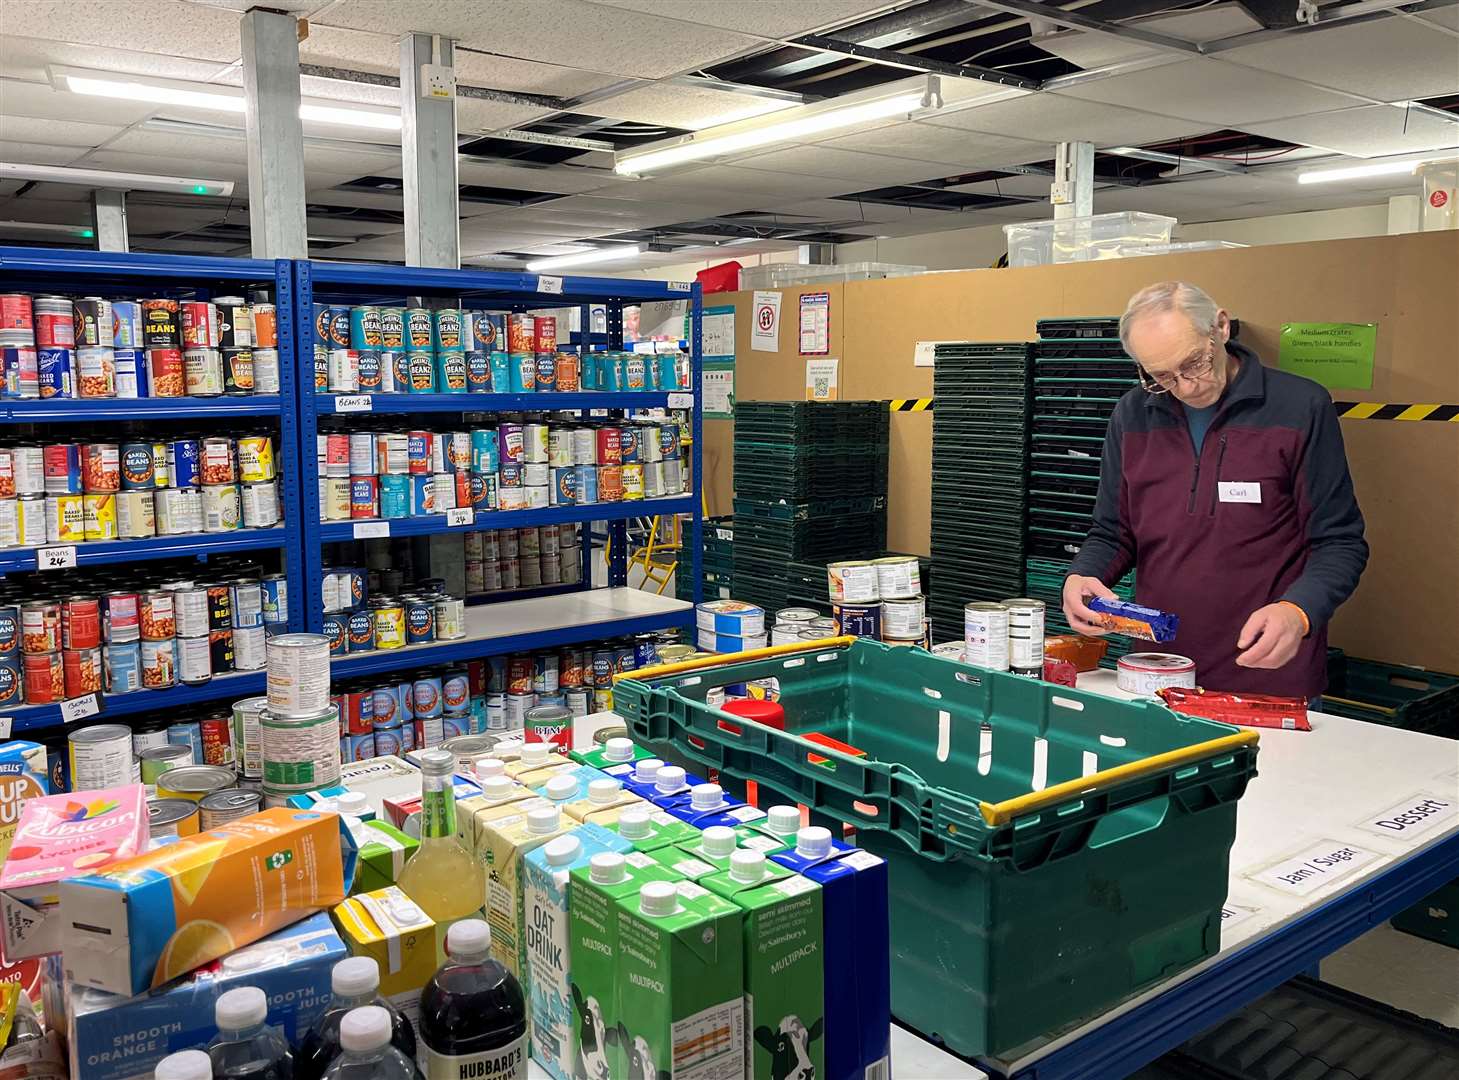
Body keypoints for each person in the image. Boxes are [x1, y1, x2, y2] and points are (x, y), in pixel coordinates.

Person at [1061, 281, 1368, 699]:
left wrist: (1299, 611)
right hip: (1157, 672)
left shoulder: (1301, 408)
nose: (1186, 386)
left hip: (1267, 674)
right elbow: (1113, 532)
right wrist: (1083, 576)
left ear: (1220, 328)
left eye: (1195, 363)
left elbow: (1339, 541)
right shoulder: (1132, 415)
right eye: (1162, 376)